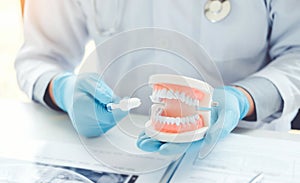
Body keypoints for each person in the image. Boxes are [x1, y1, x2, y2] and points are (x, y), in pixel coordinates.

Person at [15, 0, 300, 156]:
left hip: (244, 149)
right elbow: (40, 58)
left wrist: (245, 99)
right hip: (123, 151)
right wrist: (62, 91)